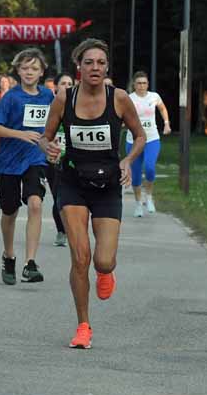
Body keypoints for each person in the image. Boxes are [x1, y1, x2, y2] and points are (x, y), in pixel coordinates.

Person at [40, 38, 146, 349]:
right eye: (89, 63)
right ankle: (83, 325)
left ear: (107, 67)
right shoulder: (64, 98)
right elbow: (45, 138)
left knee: (103, 260)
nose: (95, 67)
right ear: (79, 68)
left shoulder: (120, 98)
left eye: (100, 62)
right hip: (72, 182)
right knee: (80, 256)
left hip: (108, 185)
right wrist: (50, 148)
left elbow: (139, 136)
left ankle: (106, 271)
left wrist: (127, 160)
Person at [0, 48, 53, 285]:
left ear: (42, 71)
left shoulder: (48, 96)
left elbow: (53, 126)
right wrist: (20, 134)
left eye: (34, 68)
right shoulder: (11, 97)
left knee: (35, 203)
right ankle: (9, 256)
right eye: (25, 68)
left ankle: (30, 262)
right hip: (9, 162)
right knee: (10, 211)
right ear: (17, 70)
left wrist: (52, 145)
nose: (29, 72)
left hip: (35, 159)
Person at [127, 71, 171, 217]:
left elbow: (162, 108)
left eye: (144, 83)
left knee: (150, 167)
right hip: (133, 140)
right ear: (134, 84)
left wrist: (166, 124)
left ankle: (149, 196)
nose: (141, 86)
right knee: (136, 175)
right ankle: (138, 204)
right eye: (139, 83)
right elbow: (120, 114)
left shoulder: (154, 96)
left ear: (148, 84)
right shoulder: (129, 98)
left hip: (152, 138)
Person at [47, 72, 74, 247]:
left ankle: (72, 230)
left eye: (69, 83)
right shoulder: (49, 106)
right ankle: (61, 230)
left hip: (72, 159)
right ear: (56, 87)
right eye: (63, 83)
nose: (66, 86)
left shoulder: (78, 105)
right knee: (58, 197)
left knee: (71, 198)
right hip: (52, 159)